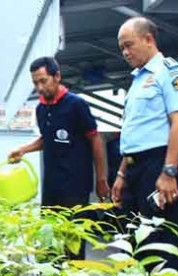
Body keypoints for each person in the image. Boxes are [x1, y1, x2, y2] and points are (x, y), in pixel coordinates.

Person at [108, 17, 178, 276]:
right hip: (135, 169)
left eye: (129, 44)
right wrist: (121, 174)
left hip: (160, 167)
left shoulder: (170, 73)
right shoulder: (138, 81)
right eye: (121, 47)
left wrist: (169, 172)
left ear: (149, 39)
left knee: (161, 250)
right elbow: (134, 135)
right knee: (133, 248)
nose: (124, 52)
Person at [8, 56, 110, 260]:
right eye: (35, 82)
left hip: (75, 187)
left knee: (72, 245)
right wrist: (24, 150)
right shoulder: (41, 108)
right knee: (49, 242)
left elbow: (95, 139)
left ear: (57, 76)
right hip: (51, 187)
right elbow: (47, 139)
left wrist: (101, 179)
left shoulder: (76, 105)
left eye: (43, 81)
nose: (39, 87)